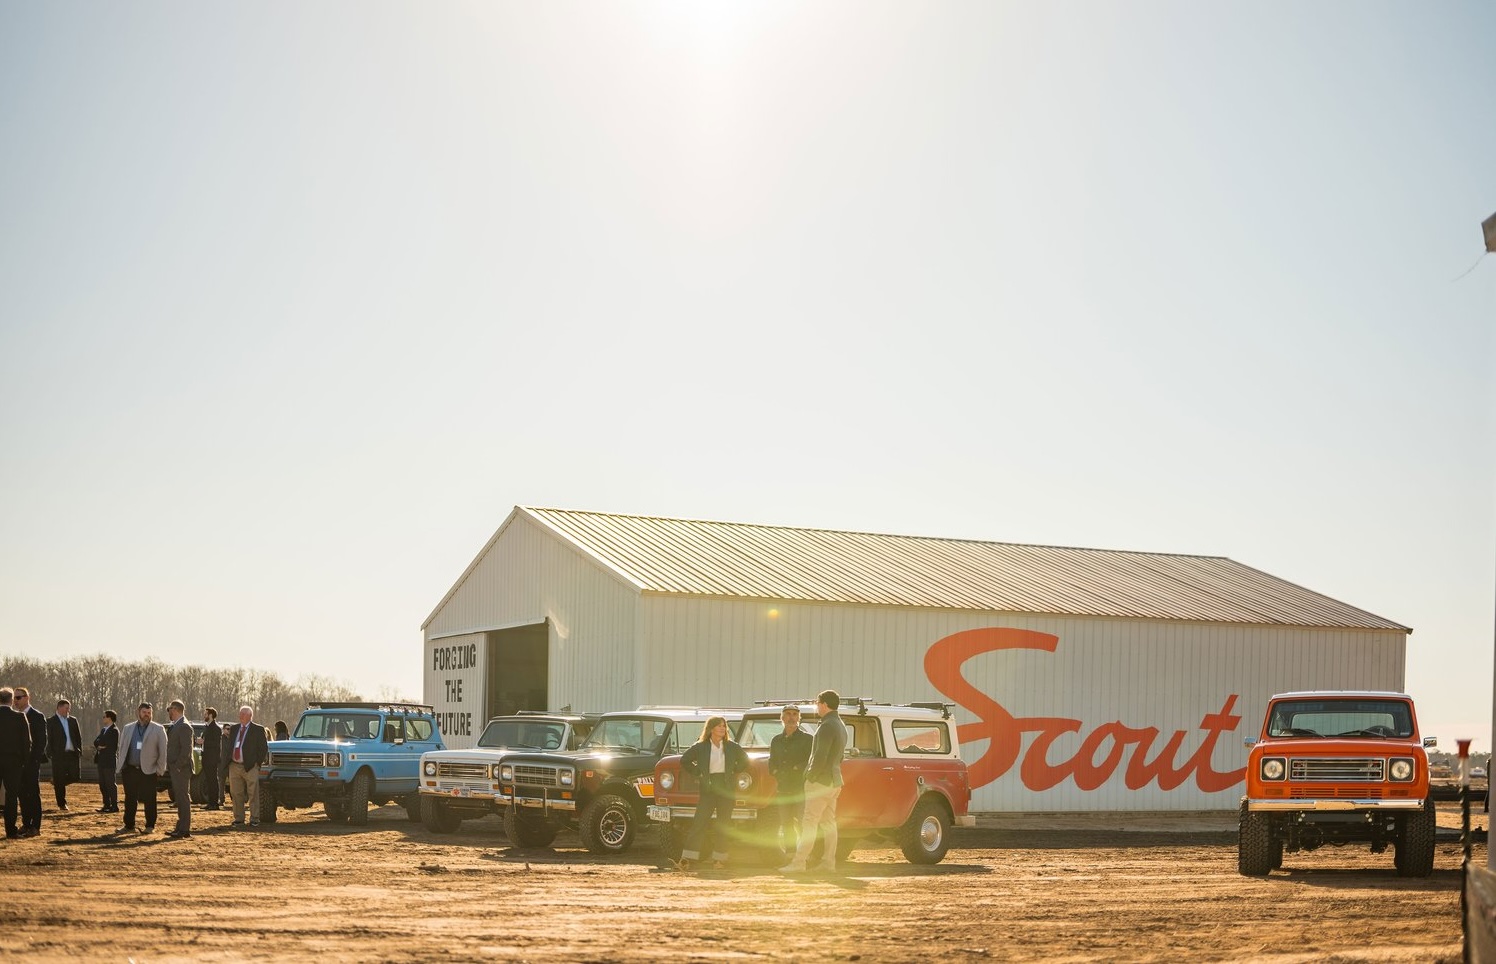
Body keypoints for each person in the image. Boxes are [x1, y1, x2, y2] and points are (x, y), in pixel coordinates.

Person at [780, 690, 847, 875]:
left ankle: (798, 863)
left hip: (820, 782)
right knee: (828, 824)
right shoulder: (841, 725)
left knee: (808, 823)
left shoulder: (826, 726)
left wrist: (810, 775)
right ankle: (828, 862)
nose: (816, 706)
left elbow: (819, 756)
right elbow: (839, 756)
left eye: (817, 702)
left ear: (824, 704)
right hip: (834, 781)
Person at [676, 715, 749, 871]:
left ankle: (719, 860)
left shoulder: (731, 746)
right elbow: (685, 760)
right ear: (711, 729)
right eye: (719, 726)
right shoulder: (700, 746)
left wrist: (733, 771)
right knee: (699, 823)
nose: (723, 728)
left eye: (724, 726)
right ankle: (687, 858)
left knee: (723, 825)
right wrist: (699, 773)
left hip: (726, 788)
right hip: (708, 788)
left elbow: (745, 760)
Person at [767, 705, 814, 861]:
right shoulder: (776, 740)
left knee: (802, 824)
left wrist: (797, 768)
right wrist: (775, 772)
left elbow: (811, 761)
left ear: (799, 718)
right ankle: (791, 856)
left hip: (801, 789)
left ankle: (805, 856)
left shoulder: (808, 739)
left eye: (795, 714)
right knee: (786, 824)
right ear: (782, 718)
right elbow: (772, 761)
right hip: (783, 789)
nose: (791, 717)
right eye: (788, 714)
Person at [115, 702, 167, 833]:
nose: (147, 715)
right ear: (138, 712)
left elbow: (163, 752)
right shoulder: (128, 728)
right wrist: (121, 766)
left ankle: (150, 826)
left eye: (149, 713)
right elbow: (122, 748)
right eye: (144, 712)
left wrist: (160, 769)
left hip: (149, 771)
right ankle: (129, 825)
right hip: (130, 769)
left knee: (150, 799)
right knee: (130, 798)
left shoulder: (158, 729)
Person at [225, 706, 270, 828]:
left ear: (250, 716)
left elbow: (263, 749)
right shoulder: (234, 728)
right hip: (234, 765)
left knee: (253, 793)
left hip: (250, 766)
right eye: (240, 714)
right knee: (236, 793)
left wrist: (257, 764)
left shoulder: (258, 729)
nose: (241, 716)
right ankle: (239, 818)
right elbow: (229, 745)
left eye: (244, 714)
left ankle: (254, 818)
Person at [0, 688, 33, 840]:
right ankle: (11, 831)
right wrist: (25, 763)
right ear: (12, 700)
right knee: (11, 797)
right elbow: (27, 743)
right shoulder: (19, 717)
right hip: (13, 762)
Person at [14, 687, 47, 836]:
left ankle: (36, 826)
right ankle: (26, 824)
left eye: (19, 697)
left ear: (27, 698)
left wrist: (34, 760)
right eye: (14, 698)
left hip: (32, 763)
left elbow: (41, 741)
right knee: (22, 794)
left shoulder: (37, 716)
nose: (16, 701)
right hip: (18, 763)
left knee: (33, 793)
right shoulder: (14, 716)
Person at [46, 698, 84, 811]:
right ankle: (62, 804)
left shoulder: (73, 720)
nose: (68, 710)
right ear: (59, 707)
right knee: (60, 778)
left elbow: (78, 736)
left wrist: (79, 749)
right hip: (58, 755)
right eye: (67, 708)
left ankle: (57, 782)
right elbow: (49, 738)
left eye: (69, 708)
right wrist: (50, 752)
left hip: (72, 753)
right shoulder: (51, 721)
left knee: (75, 776)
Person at [164, 700, 194, 839]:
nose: (168, 712)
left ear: (175, 709)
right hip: (177, 768)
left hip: (181, 769)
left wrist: (177, 766)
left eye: (169, 709)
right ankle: (181, 826)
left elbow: (186, 750)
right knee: (180, 798)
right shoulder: (178, 725)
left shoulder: (184, 726)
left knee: (183, 798)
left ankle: (184, 829)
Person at [92, 711, 120, 813]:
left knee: (110, 783)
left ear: (110, 718)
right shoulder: (104, 730)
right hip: (101, 760)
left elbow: (111, 745)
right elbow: (96, 742)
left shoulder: (114, 730)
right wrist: (101, 746)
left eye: (104, 717)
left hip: (109, 760)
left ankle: (114, 805)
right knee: (102, 784)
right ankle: (106, 804)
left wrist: (102, 745)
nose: (103, 718)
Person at [200, 708, 223, 810]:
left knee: (213, 781)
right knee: (209, 780)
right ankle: (210, 802)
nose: (204, 715)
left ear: (210, 715)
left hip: (212, 759)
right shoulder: (207, 727)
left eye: (205, 714)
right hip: (206, 758)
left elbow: (216, 744)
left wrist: (203, 742)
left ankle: (214, 803)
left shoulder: (216, 728)